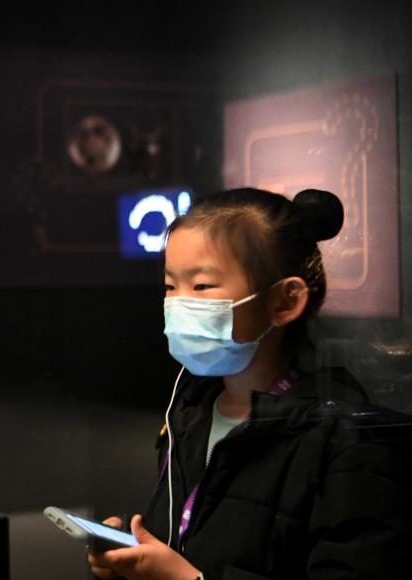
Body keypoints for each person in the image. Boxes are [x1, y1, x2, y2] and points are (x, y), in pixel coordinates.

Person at [88, 188, 411, 579]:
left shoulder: (349, 443)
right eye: (171, 286)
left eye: (202, 286)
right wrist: (128, 567)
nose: (178, 304)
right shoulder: (189, 414)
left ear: (285, 301)